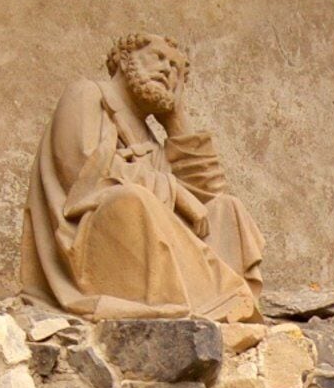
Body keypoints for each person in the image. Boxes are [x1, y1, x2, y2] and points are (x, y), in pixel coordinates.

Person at [20, 33, 265, 320]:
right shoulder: (87, 95)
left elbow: (208, 195)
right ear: (125, 61)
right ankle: (212, 300)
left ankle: (218, 305)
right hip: (90, 241)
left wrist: (177, 121)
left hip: (148, 239)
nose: (167, 71)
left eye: (176, 69)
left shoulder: (150, 136)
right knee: (132, 199)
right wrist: (175, 193)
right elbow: (79, 170)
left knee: (227, 209)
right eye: (158, 58)